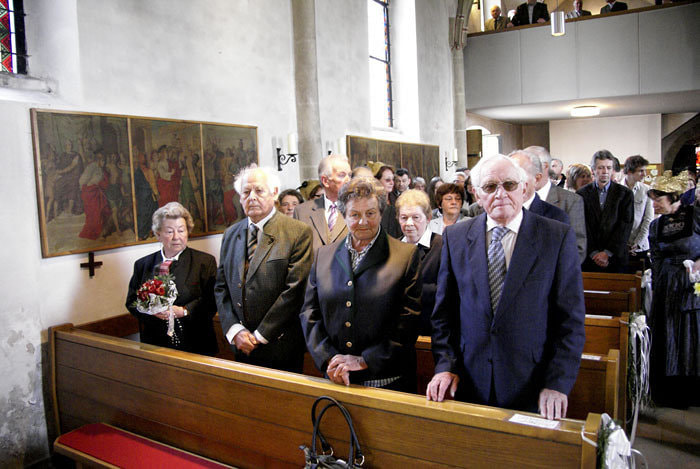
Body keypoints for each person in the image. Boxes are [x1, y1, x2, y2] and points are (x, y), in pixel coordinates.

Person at [426, 154, 585, 420]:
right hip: (469, 381)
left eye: (509, 185)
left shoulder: (556, 236)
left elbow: (570, 321)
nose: (500, 194)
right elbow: (444, 314)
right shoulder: (455, 237)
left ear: (524, 188)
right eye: (490, 187)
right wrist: (445, 366)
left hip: (532, 383)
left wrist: (557, 383)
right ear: (477, 194)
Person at [300, 177, 421, 392]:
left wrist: (366, 360)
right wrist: (329, 358)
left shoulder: (405, 255)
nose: (363, 221)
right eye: (355, 215)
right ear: (343, 215)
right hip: (336, 377)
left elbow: (409, 321)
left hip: (386, 380)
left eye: (370, 213)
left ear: (381, 213)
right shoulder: (324, 256)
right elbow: (310, 313)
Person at [215, 166, 313, 372]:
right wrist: (235, 330)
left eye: (259, 190)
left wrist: (260, 335)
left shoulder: (297, 232)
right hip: (240, 345)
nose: (252, 197)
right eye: (246, 192)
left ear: (274, 193)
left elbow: (294, 290)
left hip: (280, 345)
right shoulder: (231, 234)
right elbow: (221, 287)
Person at [126, 202, 218, 356]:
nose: (176, 237)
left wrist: (184, 311)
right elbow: (131, 302)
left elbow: (212, 300)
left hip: (195, 343)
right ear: (158, 234)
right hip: (154, 344)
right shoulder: (143, 264)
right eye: (169, 231)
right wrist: (151, 312)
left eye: (181, 230)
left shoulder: (204, 262)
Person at [647, 171, 700, 407]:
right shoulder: (656, 225)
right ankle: (669, 392)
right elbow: (656, 257)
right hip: (667, 285)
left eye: (658, 200)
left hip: (693, 283)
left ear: (673, 197)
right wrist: (659, 284)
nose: (654, 205)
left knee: (691, 334)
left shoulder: (695, 215)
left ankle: (693, 391)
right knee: (668, 334)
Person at [526, 146, 587, 264]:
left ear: (544, 166)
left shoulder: (571, 201)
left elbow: (578, 249)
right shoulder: (516, 200)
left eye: (527, 167)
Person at [577, 150, 634, 273]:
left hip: (616, 258)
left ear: (613, 170)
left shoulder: (625, 194)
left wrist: (607, 253)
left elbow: (625, 225)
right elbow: (581, 226)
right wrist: (594, 253)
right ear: (593, 170)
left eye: (608, 168)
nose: (605, 171)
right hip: (589, 258)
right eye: (600, 168)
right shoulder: (581, 194)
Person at [396, 189, 442, 336]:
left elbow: (445, 291)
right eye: (404, 218)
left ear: (428, 218)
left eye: (416, 217)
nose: (409, 223)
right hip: (399, 332)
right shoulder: (392, 248)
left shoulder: (443, 246)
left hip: (431, 330)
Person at [294, 154, 351, 252]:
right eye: (342, 175)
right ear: (325, 181)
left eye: (349, 175)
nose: (348, 180)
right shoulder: (302, 212)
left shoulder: (358, 210)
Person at [509, 150, 570, 225]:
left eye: (518, 175)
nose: (510, 180)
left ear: (536, 179)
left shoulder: (557, 217)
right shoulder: (498, 211)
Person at [622, 155, 653, 268]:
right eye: (641, 171)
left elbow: (648, 219)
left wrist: (637, 243)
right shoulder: (616, 189)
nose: (644, 174)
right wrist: (623, 243)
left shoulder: (647, 190)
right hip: (620, 245)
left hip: (640, 246)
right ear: (629, 171)